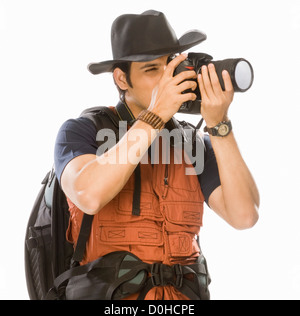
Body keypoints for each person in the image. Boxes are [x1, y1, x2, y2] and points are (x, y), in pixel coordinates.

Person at [54, 10, 259, 300]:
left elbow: (244, 215)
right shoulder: (82, 130)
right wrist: (156, 114)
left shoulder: (193, 143)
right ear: (122, 79)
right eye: (152, 70)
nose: (167, 80)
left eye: (171, 66)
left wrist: (218, 124)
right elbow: (89, 194)